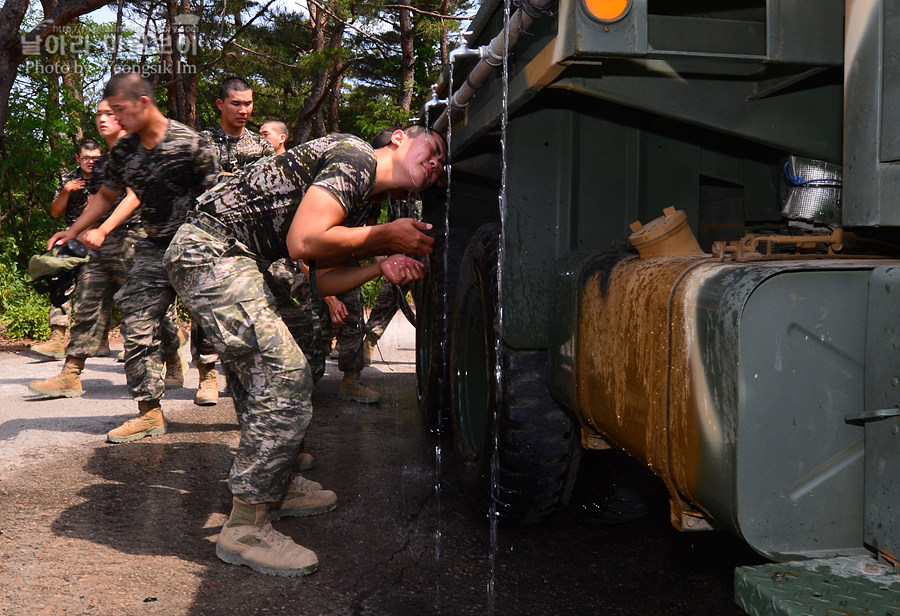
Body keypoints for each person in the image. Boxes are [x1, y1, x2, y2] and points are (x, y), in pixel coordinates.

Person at [164, 125, 445, 577]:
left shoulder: (360, 204)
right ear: (398, 138)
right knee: (284, 374)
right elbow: (302, 243)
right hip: (210, 250)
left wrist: (380, 267)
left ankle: (273, 483)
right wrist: (385, 237)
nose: (434, 164)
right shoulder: (356, 157)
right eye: (431, 150)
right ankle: (246, 528)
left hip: (238, 259)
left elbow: (319, 280)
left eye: (439, 167)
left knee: (262, 374)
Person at [46, 72, 219, 444]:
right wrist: (72, 231)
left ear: (143, 103)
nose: (116, 120)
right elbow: (106, 195)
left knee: (224, 327)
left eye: (120, 111)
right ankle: (149, 413)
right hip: (154, 249)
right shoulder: (125, 151)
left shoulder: (191, 145)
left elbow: (219, 204)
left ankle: (250, 407)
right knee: (137, 325)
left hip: (198, 248)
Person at [28, 100, 187, 399]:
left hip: (139, 241)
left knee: (150, 313)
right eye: (99, 113)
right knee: (87, 304)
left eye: (110, 114)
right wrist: (73, 231)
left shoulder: (139, 150)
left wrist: (102, 229)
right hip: (104, 243)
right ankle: (71, 374)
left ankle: (174, 361)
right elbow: (98, 201)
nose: (102, 119)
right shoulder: (102, 164)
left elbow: (133, 196)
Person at [191, 78, 275, 406]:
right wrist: (229, 182)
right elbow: (193, 185)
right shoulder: (202, 143)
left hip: (249, 237)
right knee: (207, 304)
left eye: (249, 104)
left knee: (254, 305)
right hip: (210, 234)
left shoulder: (262, 146)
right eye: (237, 103)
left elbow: (268, 187)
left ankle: (246, 374)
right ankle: (207, 373)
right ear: (220, 105)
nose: (244, 110)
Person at [30, 139, 108, 360]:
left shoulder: (109, 176)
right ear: (78, 158)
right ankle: (57, 338)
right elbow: (55, 213)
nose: (91, 162)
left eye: (95, 158)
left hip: (103, 234)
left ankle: (101, 339)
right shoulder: (68, 178)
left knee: (103, 288)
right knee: (61, 278)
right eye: (86, 158)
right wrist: (66, 191)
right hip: (72, 235)